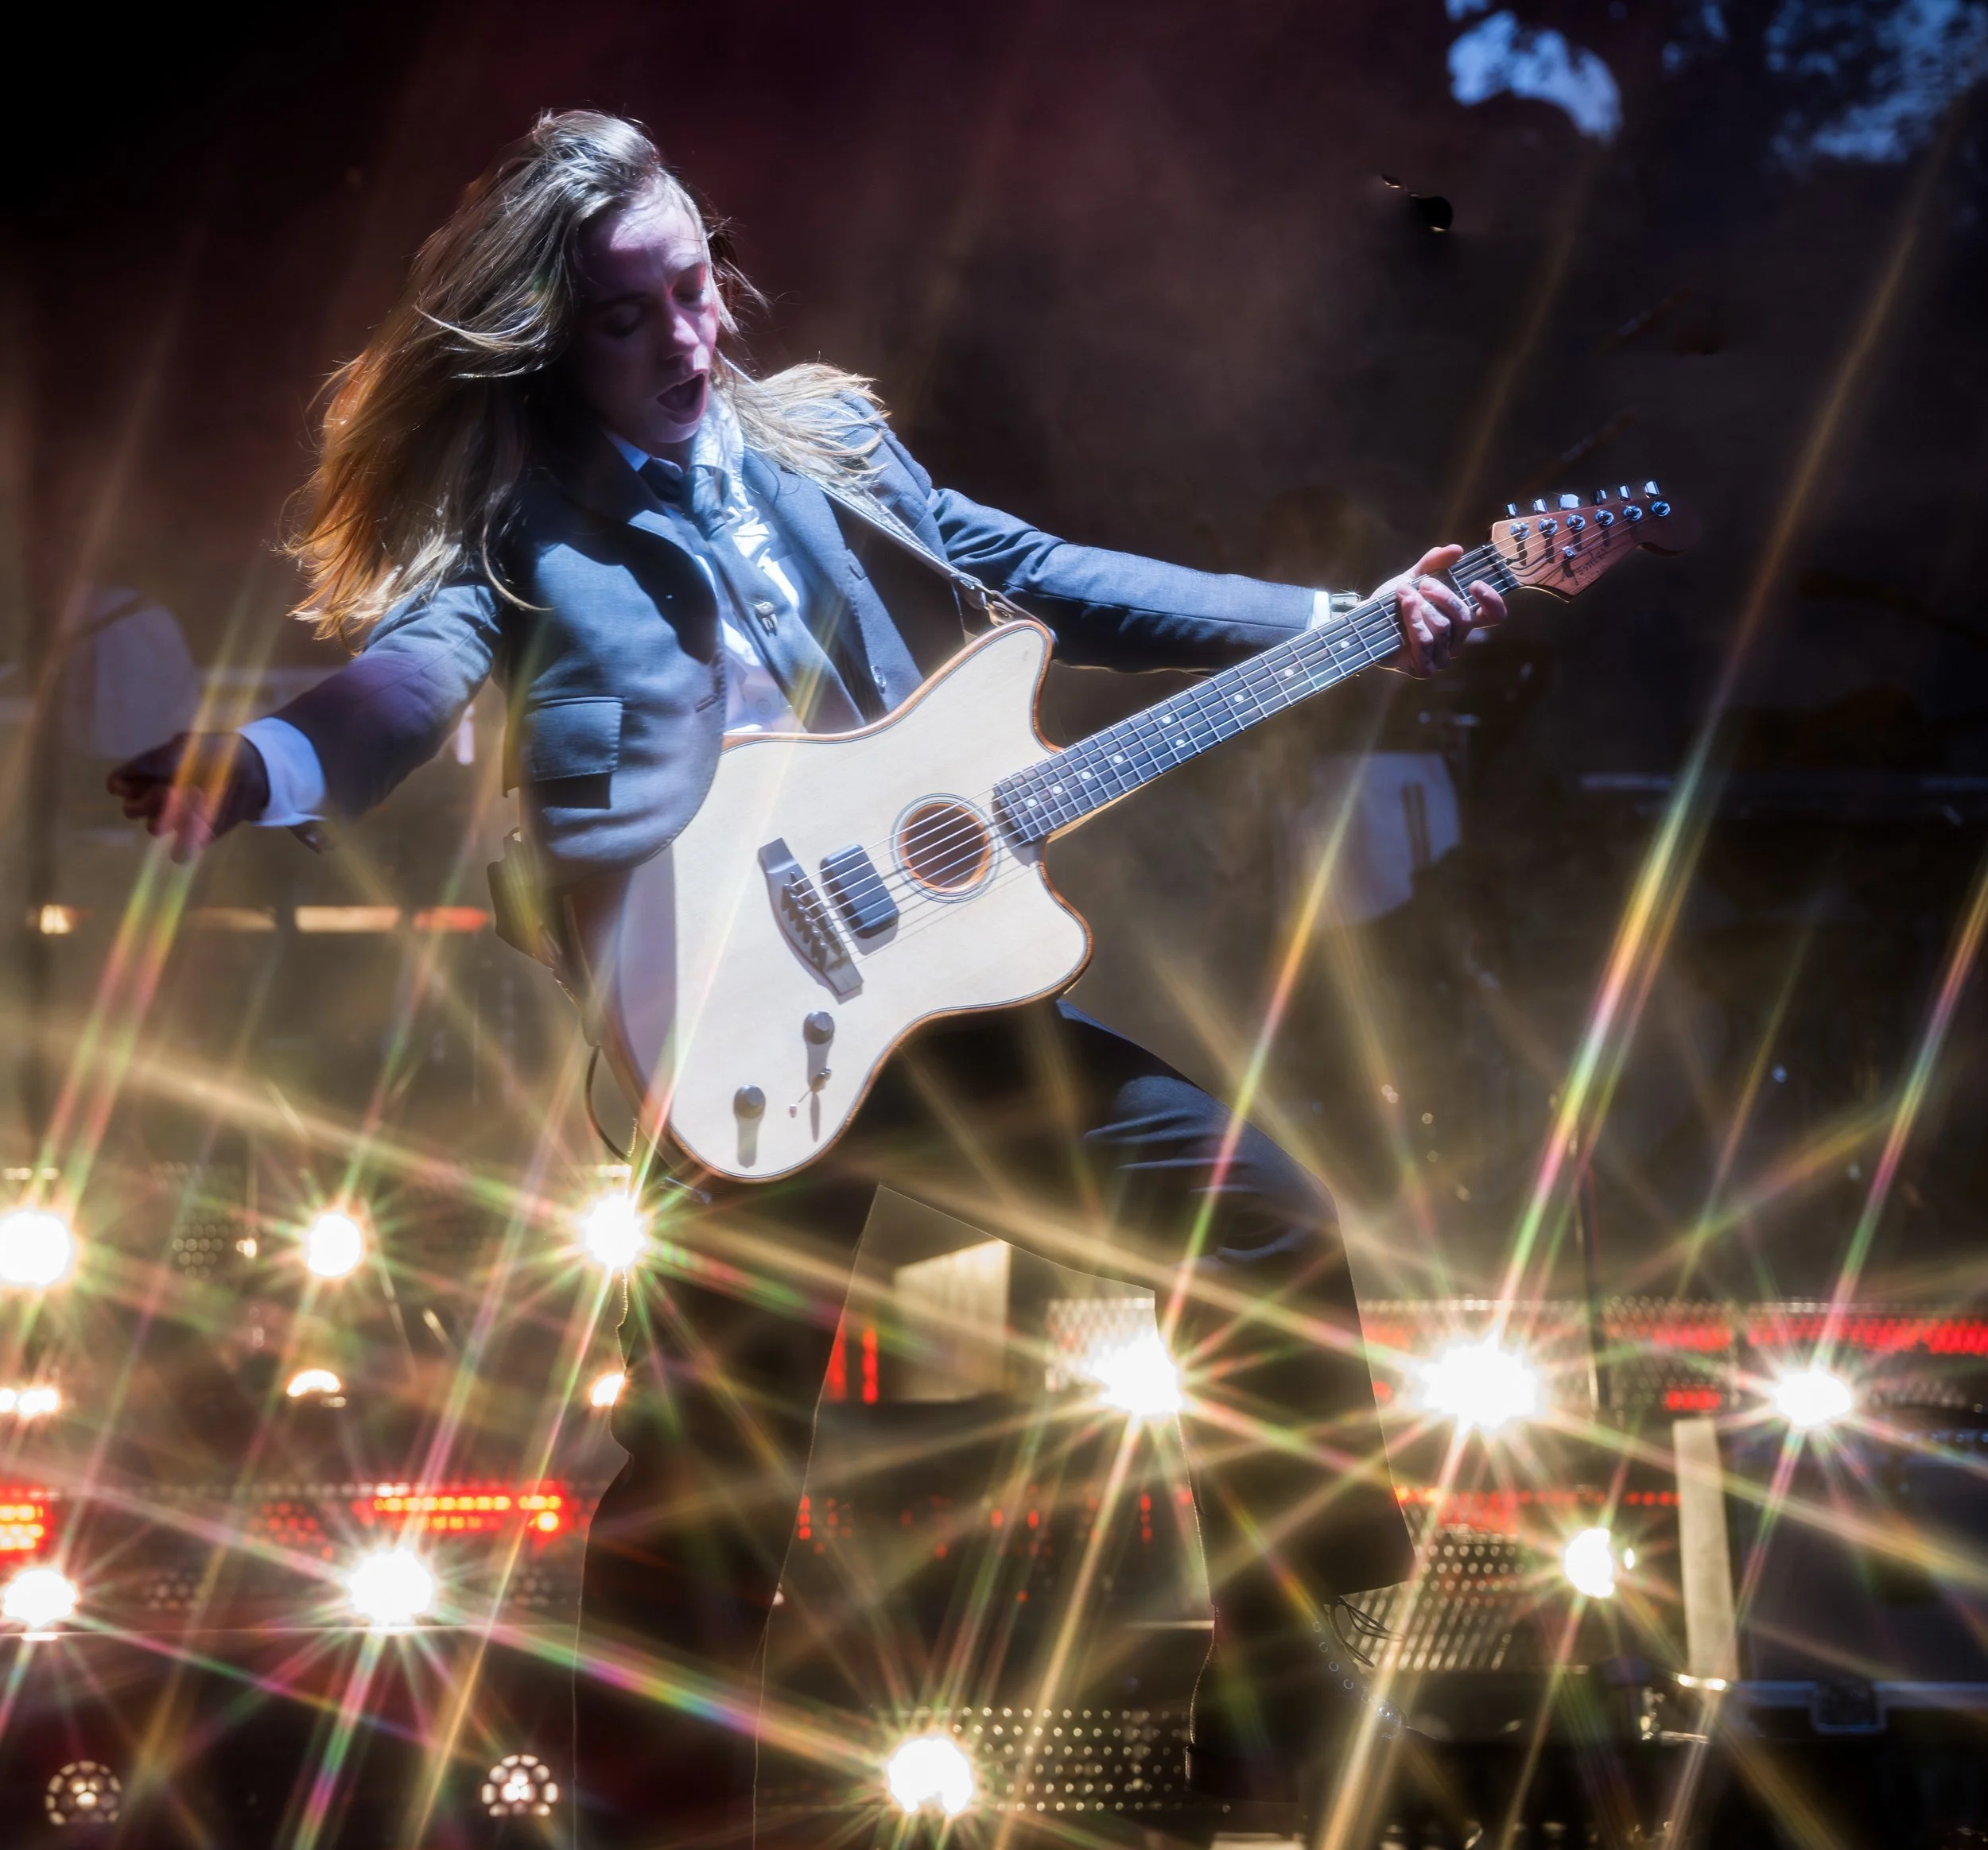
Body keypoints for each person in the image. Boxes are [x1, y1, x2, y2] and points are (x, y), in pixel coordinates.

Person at [111, 111, 1505, 1846]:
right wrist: (261, 770)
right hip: (719, 1034)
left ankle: (1273, 1718)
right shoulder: (515, 528)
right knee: (709, 1489)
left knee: (1270, 1237)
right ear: (551, 336)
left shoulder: (825, 437)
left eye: (693, 290)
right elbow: (404, 687)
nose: (683, 339)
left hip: (933, 999)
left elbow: (1040, 574)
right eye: (626, 317)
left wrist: (1340, 613)